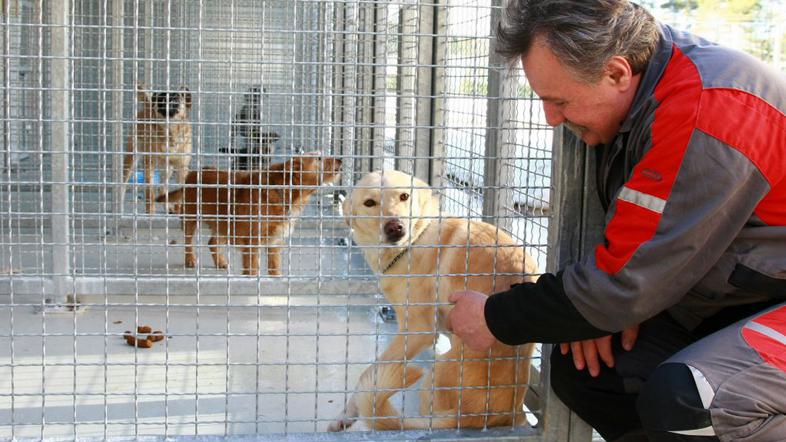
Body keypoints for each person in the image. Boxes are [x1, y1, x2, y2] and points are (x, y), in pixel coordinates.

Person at [447, 1, 786, 441]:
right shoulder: (651, 94)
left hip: (764, 296)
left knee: (692, 399)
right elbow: (634, 261)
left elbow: (625, 283)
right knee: (590, 371)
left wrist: (493, 316)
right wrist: (597, 311)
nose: (551, 119)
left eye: (559, 101)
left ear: (617, 73)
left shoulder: (706, 111)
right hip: (748, 289)